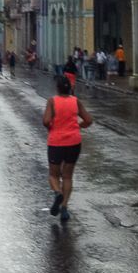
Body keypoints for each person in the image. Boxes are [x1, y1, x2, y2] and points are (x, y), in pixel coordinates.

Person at [43, 74, 94, 223]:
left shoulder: (52, 102)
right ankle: (64, 208)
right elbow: (89, 120)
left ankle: (57, 193)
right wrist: (77, 126)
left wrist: (51, 128)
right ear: (70, 89)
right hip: (74, 142)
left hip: (56, 142)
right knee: (67, 176)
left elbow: (46, 120)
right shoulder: (75, 101)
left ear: (57, 88)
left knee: (54, 174)